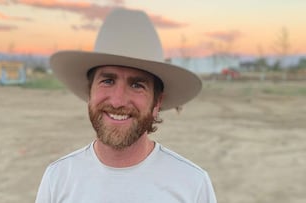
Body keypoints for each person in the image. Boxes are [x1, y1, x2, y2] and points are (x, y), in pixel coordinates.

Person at [35, 8, 217, 203]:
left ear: (157, 102)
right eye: (107, 81)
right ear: (90, 92)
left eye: (137, 85)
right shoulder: (58, 179)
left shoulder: (192, 185)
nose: (118, 101)